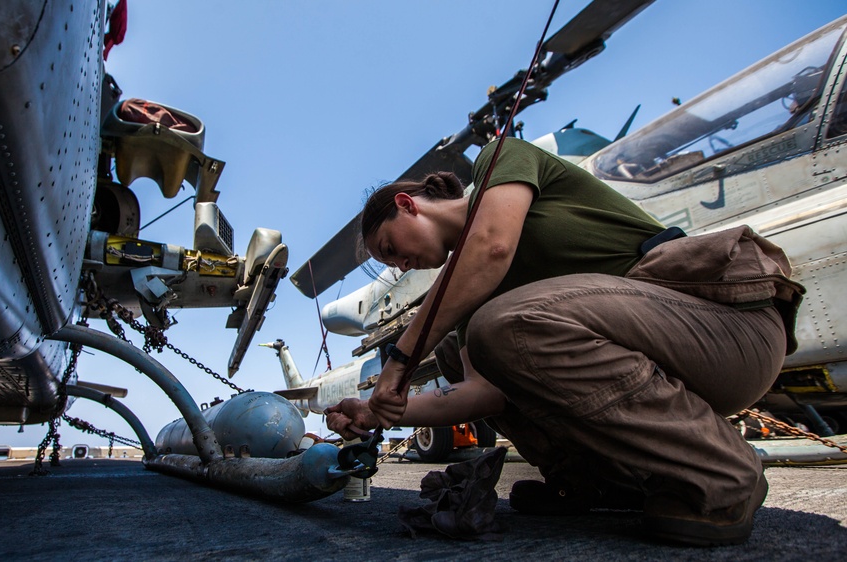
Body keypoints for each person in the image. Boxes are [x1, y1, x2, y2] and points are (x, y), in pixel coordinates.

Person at [324, 137, 803, 546]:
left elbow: (491, 246)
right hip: (666, 356)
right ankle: (603, 481)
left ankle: (720, 474)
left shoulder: (501, 157)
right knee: (466, 347)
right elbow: (483, 393)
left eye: (391, 248)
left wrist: (401, 362)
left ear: (407, 205)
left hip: (727, 331)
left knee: (501, 325)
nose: (401, 266)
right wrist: (384, 408)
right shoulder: (473, 299)